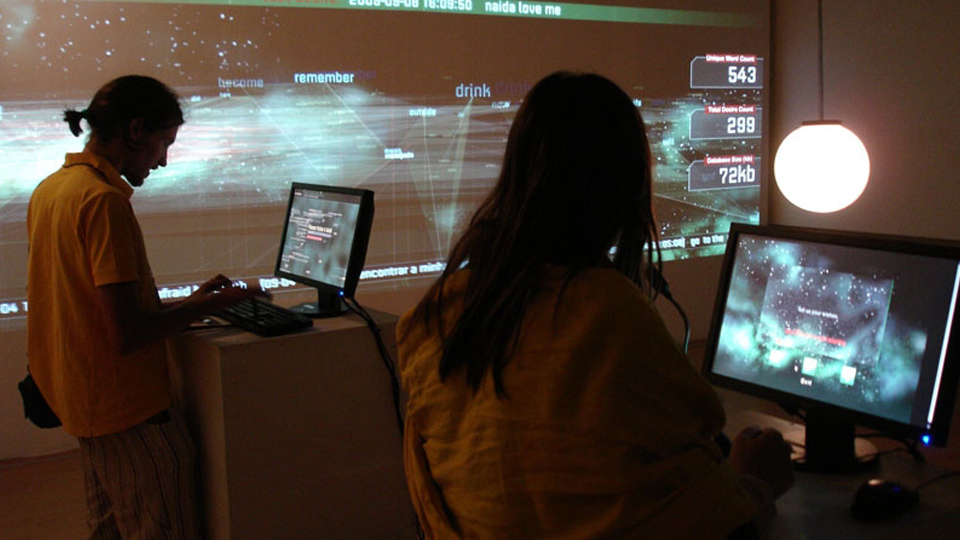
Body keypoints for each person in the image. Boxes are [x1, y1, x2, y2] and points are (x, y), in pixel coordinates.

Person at [396, 71, 794, 539]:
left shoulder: (438, 315)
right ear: (623, 187)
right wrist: (757, 482)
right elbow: (718, 524)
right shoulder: (607, 314)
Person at [26, 75, 263, 540]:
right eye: (164, 143)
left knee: (109, 529)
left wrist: (193, 303)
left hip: (85, 405)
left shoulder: (53, 189)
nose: (164, 160)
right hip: (128, 412)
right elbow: (126, 334)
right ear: (135, 131)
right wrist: (216, 306)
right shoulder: (103, 202)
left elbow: (88, 306)